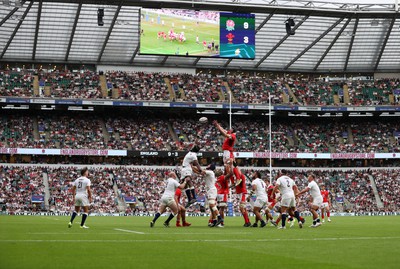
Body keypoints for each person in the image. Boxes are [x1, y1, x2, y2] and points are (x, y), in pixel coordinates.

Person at [213, 120, 241, 186]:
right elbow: (224, 130)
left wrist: (218, 126)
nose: (229, 129)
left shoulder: (233, 136)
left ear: (233, 130)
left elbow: (224, 134)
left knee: (230, 166)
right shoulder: (230, 134)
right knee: (227, 167)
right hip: (226, 152)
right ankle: (233, 181)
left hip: (228, 152)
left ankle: (237, 178)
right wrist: (218, 125)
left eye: (231, 129)